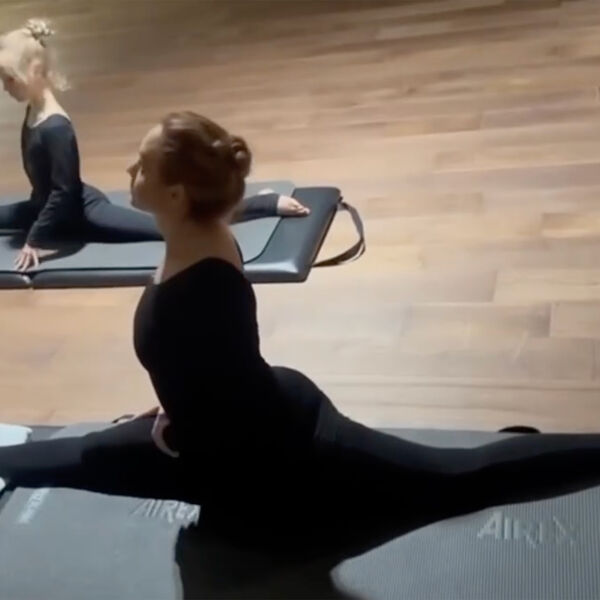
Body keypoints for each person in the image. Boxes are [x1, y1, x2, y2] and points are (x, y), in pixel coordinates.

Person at [2, 109, 600, 542]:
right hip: (236, 420)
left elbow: (224, 383)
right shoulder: (196, 228)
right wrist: (173, 406)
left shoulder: (200, 286)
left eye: (141, 165)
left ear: (178, 195)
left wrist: (179, 426)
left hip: (273, 454)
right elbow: (211, 358)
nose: (129, 170)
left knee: (459, 479)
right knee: (80, 455)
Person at [0, 19, 309, 272]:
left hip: (79, 212)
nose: (5, 87)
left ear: (35, 72)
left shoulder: (56, 128)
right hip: (43, 205)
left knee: (170, 226)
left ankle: (260, 204)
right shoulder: (34, 113)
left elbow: (64, 193)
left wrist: (35, 238)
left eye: (9, 79)